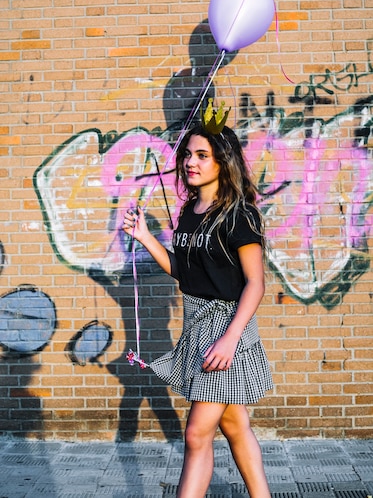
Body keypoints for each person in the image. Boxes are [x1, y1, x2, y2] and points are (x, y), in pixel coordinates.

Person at [123, 117, 273, 498]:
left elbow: (255, 283)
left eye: (202, 155)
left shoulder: (240, 214)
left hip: (226, 328)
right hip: (196, 325)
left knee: (195, 433)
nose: (191, 162)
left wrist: (230, 340)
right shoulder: (189, 212)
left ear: (224, 161)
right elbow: (183, 272)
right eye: (188, 154)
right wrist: (144, 237)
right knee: (235, 426)